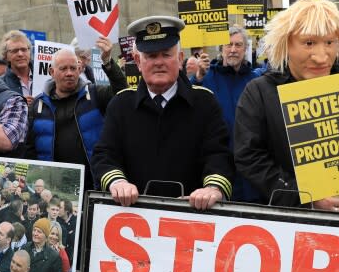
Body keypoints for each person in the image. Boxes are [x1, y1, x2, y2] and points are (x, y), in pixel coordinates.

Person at [234, 0, 339, 213]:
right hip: (293, 222)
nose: (321, 57)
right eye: (309, 43)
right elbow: (250, 157)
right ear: (286, 42)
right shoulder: (259, 92)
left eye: (329, 42)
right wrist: (305, 199)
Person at [91, 15, 233, 210]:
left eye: (166, 54)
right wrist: (118, 183)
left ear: (180, 58)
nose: (159, 62)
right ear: (138, 61)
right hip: (133, 219)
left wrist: (213, 188)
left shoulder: (205, 102)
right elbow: (104, 155)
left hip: (192, 218)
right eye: (151, 56)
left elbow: (218, 154)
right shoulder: (121, 104)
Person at [26, 39, 126, 188]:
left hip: (94, 183)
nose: (69, 73)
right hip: (55, 188)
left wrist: (108, 62)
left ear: (80, 70)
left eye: (73, 68)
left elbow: (122, 94)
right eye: (63, 68)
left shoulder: (95, 94)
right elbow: (29, 149)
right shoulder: (37, 106)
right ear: (52, 72)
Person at [192, 25, 262, 202]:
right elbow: (190, 103)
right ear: (220, 49)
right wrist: (197, 78)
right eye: (228, 45)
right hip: (218, 164)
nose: (233, 50)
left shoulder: (255, 80)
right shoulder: (206, 78)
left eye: (238, 45)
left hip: (250, 165)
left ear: (246, 49)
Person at [0, 30, 34, 104]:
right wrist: (18, 105)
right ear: (6, 56)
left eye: (24, 49)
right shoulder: (0, 85)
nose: (20, 54)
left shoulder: (45, 76)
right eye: (15, 51)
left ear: (29, 52)